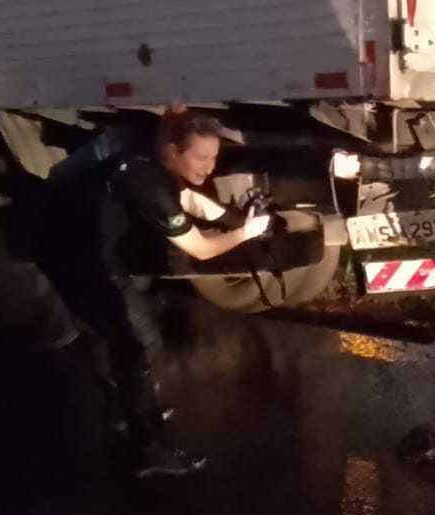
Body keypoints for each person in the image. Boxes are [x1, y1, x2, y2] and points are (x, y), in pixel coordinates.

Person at [36, 107, 272, 479]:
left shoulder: (153, 157)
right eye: (201, 157)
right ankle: (147, 447)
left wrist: (235, 219)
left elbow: (191, 201)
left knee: (119, 335)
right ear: (174, 151)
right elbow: (201, 249)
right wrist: (245, 233)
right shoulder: (148, 181)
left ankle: (124, 409)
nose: (210, 167)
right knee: (139, 341)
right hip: (73, 253)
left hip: (77, 242)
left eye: (214, 157)